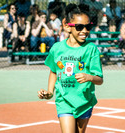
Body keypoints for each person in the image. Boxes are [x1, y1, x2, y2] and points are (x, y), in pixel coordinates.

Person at [37, 3, 103, 133]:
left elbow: (100, 80)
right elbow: (54, 72)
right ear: (67, 26)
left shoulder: (91, 50)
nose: (84, 30)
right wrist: (50, 92)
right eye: (79, 27)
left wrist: (89, 77)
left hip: (84, 101)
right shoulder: (57, 49)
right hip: (64, 101)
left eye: (87, 26)